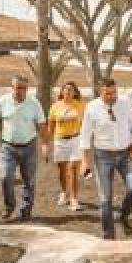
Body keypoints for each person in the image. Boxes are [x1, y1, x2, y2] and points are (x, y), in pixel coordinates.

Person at [80, 77, 132, 239]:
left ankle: (124, 216)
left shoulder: (126, 103)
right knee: (105, 198)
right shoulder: (91, 108)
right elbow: (85, 136)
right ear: (100, 92)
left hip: (125, 154)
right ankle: (108, 236)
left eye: (114, 93)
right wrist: (85, 161)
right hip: (103, 156)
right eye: (107, 94)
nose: (112, 96)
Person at [0, 75, 47, 221]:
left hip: (29, 146)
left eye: (23, 88)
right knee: (5, 177)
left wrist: (45, 144)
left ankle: (26, 210)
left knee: (29, 180)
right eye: (17, 88)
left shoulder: (34, 103)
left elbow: (42, 125)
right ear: (12, 88)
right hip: (8, 147)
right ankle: (9, 206)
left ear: (27, 89)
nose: (20, 91)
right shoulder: (3, 101)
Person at [46, 81, 86, 211]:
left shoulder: (81, 105)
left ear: (75, 92)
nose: (68, 91)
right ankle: (65, 192)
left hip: (75, 139)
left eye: (71, 89)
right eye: (66, 89)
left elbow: (87, 123)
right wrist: (47, 144)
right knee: (62, 171)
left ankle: (74, 199)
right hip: (59, 141)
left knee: (73, 168)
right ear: (62, 91)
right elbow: (50, 127)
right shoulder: (55, 106)